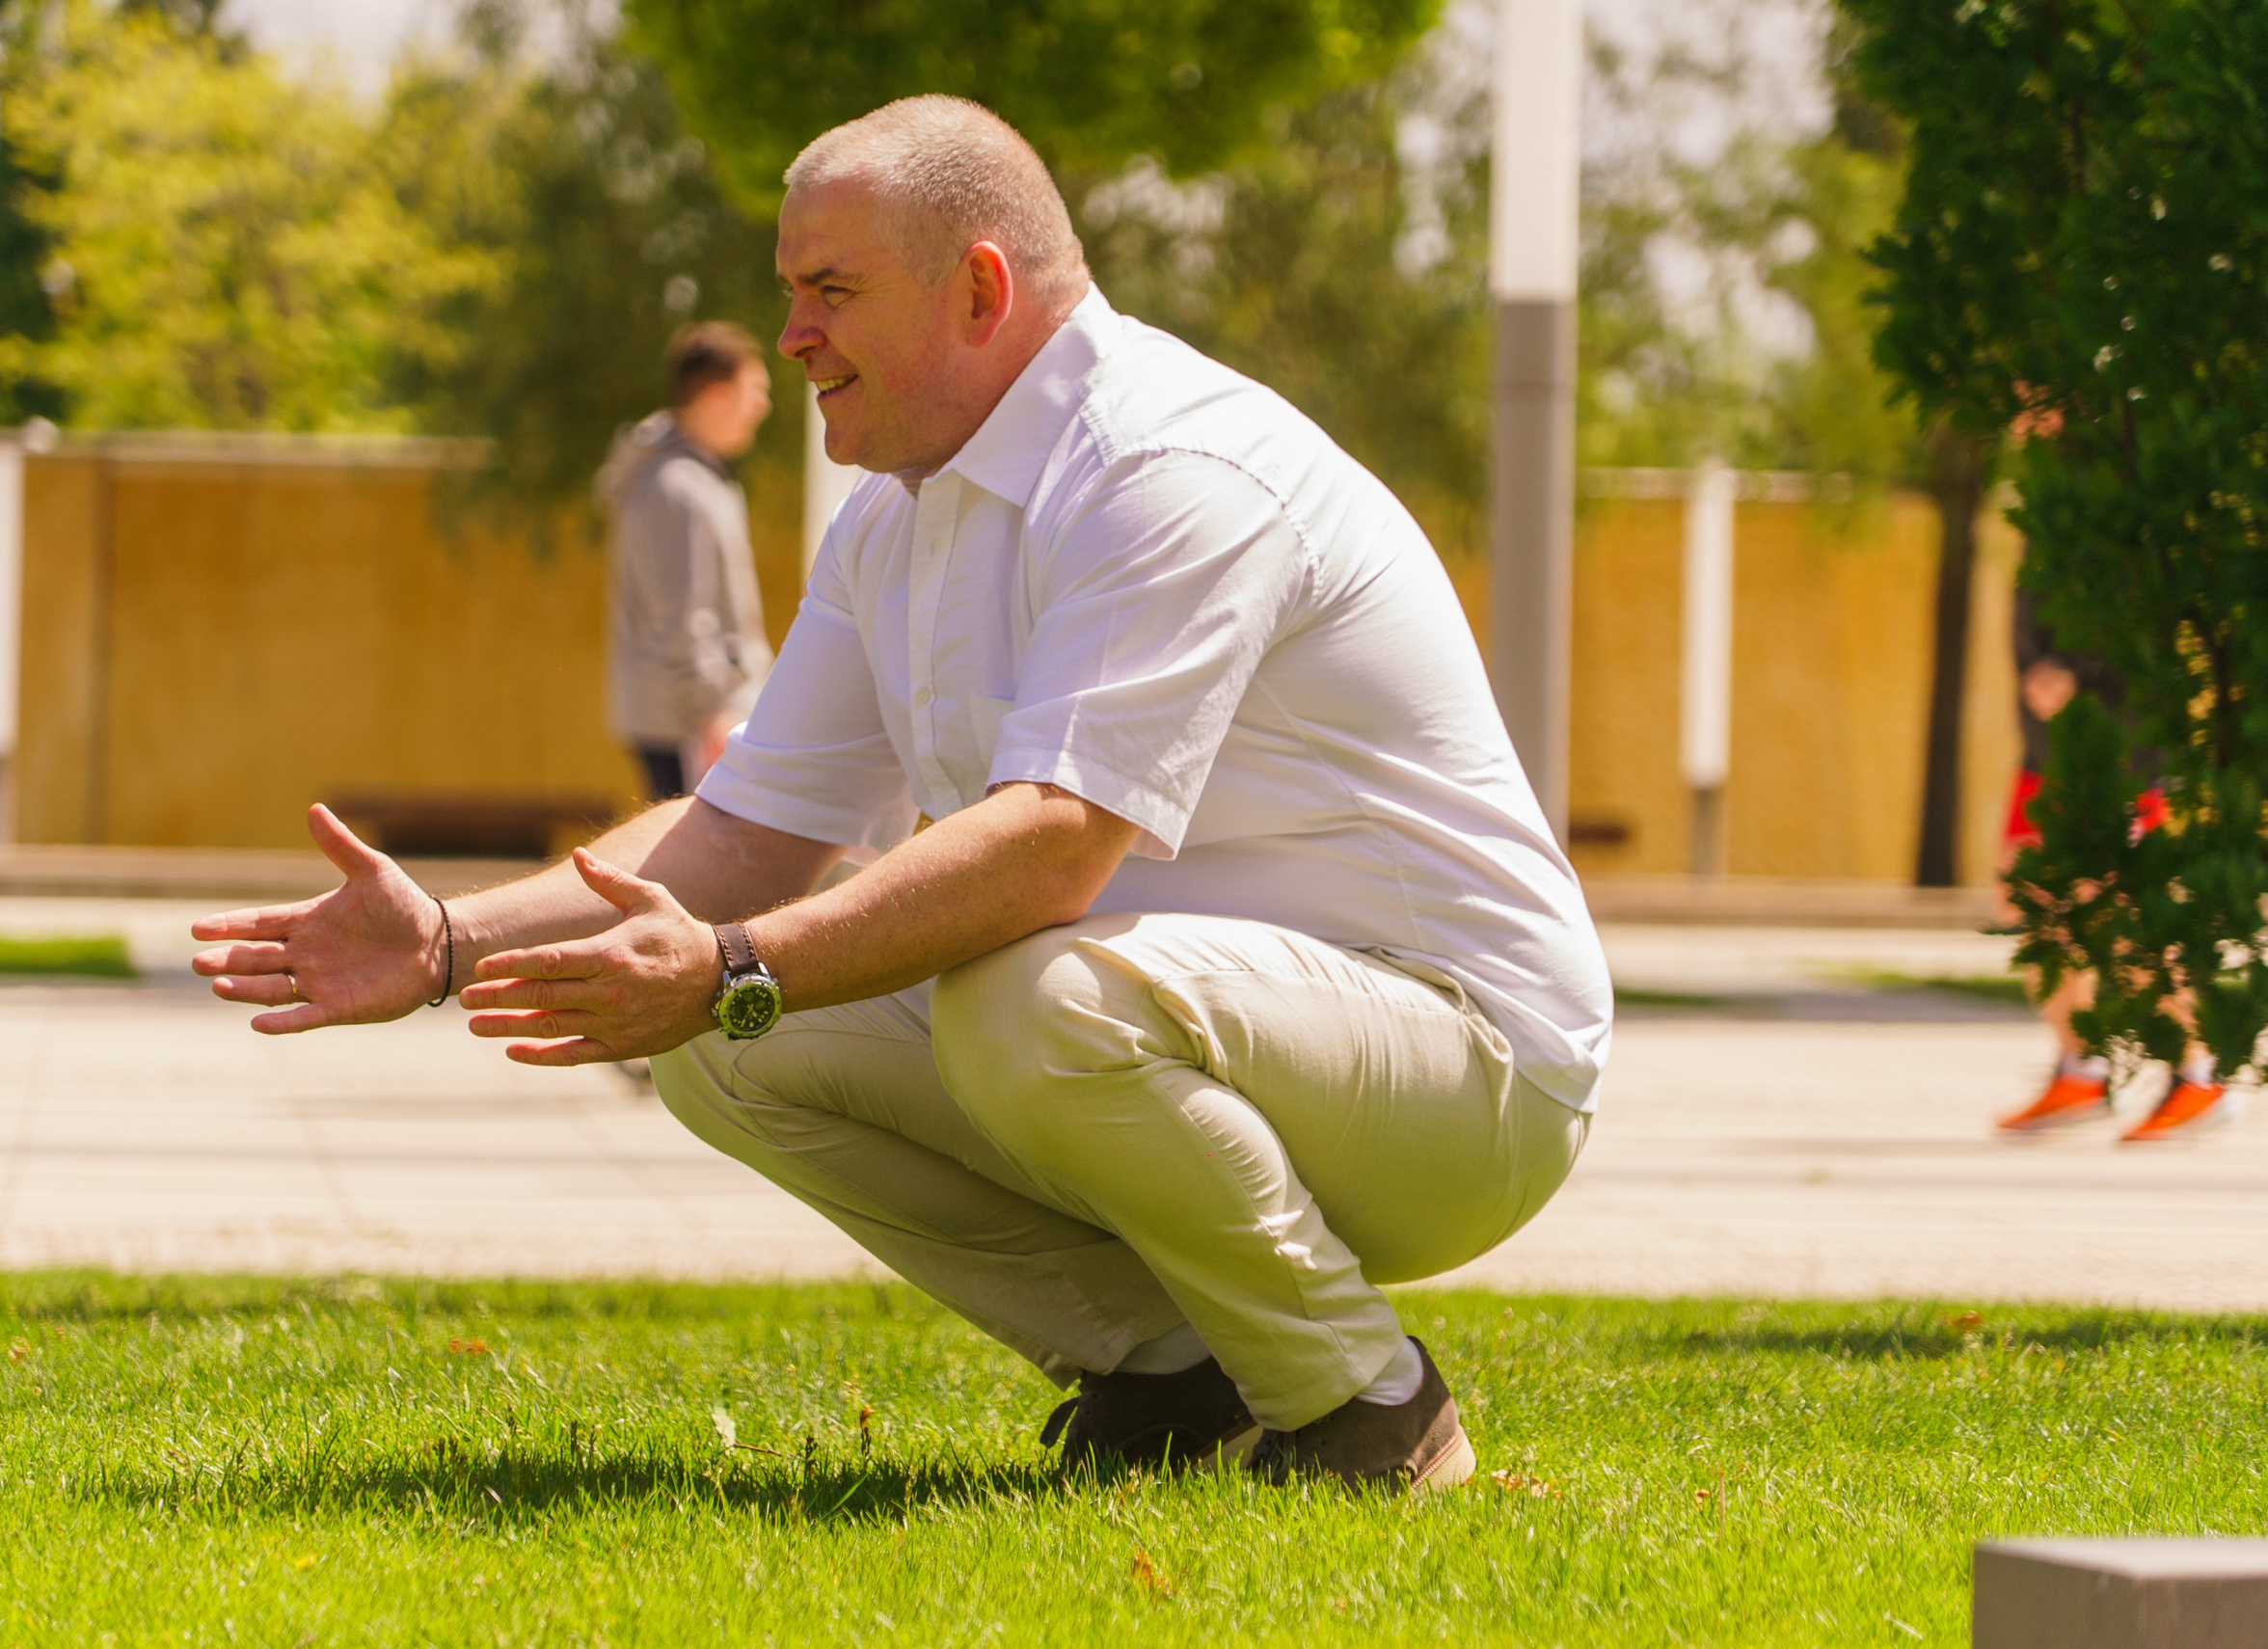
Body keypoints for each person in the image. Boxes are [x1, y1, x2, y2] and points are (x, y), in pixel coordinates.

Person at [191, 95, 1610, 1495]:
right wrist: (449, 941)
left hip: (1472, 1067)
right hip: (1206, 1032)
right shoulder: (899, 510)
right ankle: (1178, 1371)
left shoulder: (1164, 468)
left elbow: (1053, 846)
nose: (794, 335)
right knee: (727, 1045)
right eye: (788, 293)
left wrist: (735, 962)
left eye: (831, 290)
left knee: (1002, 994)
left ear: (980, 288)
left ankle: (1369, 1408)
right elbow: (746, 829)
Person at [1994, 590, 2227, 1143]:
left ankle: (2200, 1073)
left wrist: (2072, 666)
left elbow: (2136, 608)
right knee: (2034, 908)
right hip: (2050, 755)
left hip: (2119, 753)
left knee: (2126, 917)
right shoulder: (2040, 516)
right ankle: (2082, 1069)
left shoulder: (2115, 512)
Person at [595, 320, 777, 802]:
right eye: (754, 390)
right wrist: (713, 714)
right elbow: (681, 621)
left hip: (695, 719)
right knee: (692, 874)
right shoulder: (674, 487)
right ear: (717, 395)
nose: (762, 406)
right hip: (689, 726)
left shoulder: (695, 479)